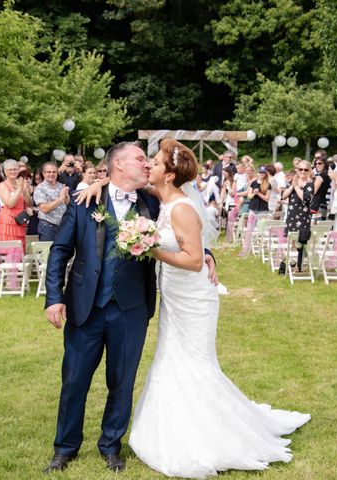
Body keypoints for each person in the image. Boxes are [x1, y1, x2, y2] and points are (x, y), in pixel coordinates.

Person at [129, 140, 310, 478]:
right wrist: (97, 182)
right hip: (175, 298)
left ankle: (212, 435)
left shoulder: (181, 208)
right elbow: (128, 182)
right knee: (170, 356)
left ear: (168, 175)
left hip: (194, 299)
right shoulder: (165, 200)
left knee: (194, 362)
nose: (147, 168)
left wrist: (152, 250)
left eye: (153, 163)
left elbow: (195, 260)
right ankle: (172, 425)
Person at [42, 140, 217, 474]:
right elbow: (59, 252)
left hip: (131, 307)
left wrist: (208, 255)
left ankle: (111, 445)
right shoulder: (84, 201)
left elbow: (186, 229)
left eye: (149, 160)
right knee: (74, 380)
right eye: (140, 158)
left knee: (121, 382)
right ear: (118, 165)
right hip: (85, 306)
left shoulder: (152, 202)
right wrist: (54, 298)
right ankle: (65, 448)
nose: (147, 164)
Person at [280, 160, 314, 273]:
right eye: (300, 169)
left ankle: (299, 267)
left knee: (301, 242)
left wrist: (296, 187)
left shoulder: (310, 184)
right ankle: (289, 264)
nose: (303, 172)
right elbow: (283, 196)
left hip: (303, 217)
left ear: (309, 171)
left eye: (305, 170)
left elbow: (305, 198)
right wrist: (293, 185)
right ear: (297, 170)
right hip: (292, 215)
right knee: (291, 241)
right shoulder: (293, 182)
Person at [0, 159, 32, 250]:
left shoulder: (21, 183)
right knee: (10, 251)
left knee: (20, 251)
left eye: (15, 169)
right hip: (8, 222)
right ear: (5, 171)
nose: (13, 171)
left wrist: (24, 191)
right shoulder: (2, 185)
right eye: (10, 170)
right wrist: (19, 189)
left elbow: (29, 203)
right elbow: (10, 204)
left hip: (20, 221)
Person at [33, 162, 70, 241]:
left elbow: (67, 203)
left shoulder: (61, 185)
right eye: (48, 172)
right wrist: (60, 199)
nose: (51, 174)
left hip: (62, 226)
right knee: (47, 252)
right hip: (47, 227)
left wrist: (66, 196)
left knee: (62, 252)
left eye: (54, 172)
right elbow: (44, 209)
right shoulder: (40, 188)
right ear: (43, 173)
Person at [240, 165, 271, 256]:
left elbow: (267, 199)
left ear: (265, 174)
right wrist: (253, 193)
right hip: (253, 209)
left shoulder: (268, 185)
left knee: (262, 230)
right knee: (249, 230)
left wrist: (259, 193)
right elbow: (249, 196)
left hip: (263, 210)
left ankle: (261, 250)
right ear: (258, 173)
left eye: (263, 172)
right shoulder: (253, 183)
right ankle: (245, 250)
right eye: (260, 172)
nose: (261, 174)